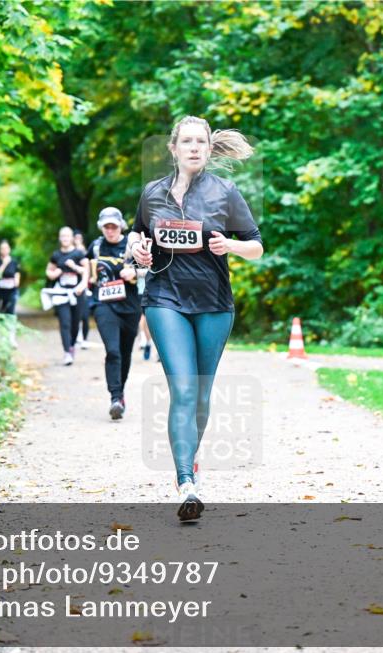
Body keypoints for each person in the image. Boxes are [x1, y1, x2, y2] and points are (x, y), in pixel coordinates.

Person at [128, 115, 263, 522]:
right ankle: (186, 481)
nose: (193, 148)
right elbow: (137, 233)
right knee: (183, 390)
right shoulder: (152, 194)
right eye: (185, 141)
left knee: (201, 395)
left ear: (208, 148)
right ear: (173, 148)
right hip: (164, 298)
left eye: (200, 142)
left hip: (213, 303)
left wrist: (230, 247)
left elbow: (255, 244)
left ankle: (191, 457)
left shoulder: (225, 192)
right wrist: (137, 251)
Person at [88, 207, 142, 420]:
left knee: (125, 352)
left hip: (130, 305)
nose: (110, 230)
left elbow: (152, 267)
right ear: (101, 227)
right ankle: (115, 398)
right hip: (104, 304)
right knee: (113, 350)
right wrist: (86, 282)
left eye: (113, 226)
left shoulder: (131, 244)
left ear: (121, 226)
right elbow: (88, 267)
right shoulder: (96, 246)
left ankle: (121, 393)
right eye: (106, 226)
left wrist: (134, 272)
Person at [45, 227, 89, 365]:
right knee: (65, 323)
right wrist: (55, 273)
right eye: (62, 236)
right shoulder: (56, 255)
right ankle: (66, 352)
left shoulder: (78, 254)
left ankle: (71, 346)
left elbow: (87, 270)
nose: (65, 238)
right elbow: (49, 271)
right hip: (61, 293)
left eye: (67, 236)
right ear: (59, 238)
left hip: (77, 293)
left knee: (75, 324)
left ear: (72, 238)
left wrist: (75, 267)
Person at [73, 230, 93, 350]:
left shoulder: (86, 253)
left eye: (80, 238)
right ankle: (75, 337)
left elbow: (90, 268)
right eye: (76, 238)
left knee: (85, 315)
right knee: (75, 315)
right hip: (71, 288)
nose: (78, 241)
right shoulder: (68, 254)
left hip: (85, 287)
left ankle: (84, 338)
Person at [0, 239, 21, 315]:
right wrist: (4, 264)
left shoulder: (14, 262)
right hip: (0, 291)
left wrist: (17, 280)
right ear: (0, 250)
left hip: (12, 289)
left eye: (6, 248)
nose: (4, 250)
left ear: (9, 249)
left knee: (10, 310)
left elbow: (17, 272)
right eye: (2, 248)